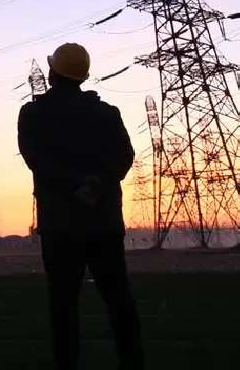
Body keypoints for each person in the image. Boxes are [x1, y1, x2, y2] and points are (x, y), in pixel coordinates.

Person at [18, 42, 144, 370]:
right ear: (82, 76)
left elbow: (37, 160)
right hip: (103, 223)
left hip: (60, 227)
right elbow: (123, 157)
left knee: (63, 305)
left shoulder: (33, 114)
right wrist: (95, 184)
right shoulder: (106, 114)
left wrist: (73, 186)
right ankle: (132, 362)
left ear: (52, 73)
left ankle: (67, 366)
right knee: (119, 300)